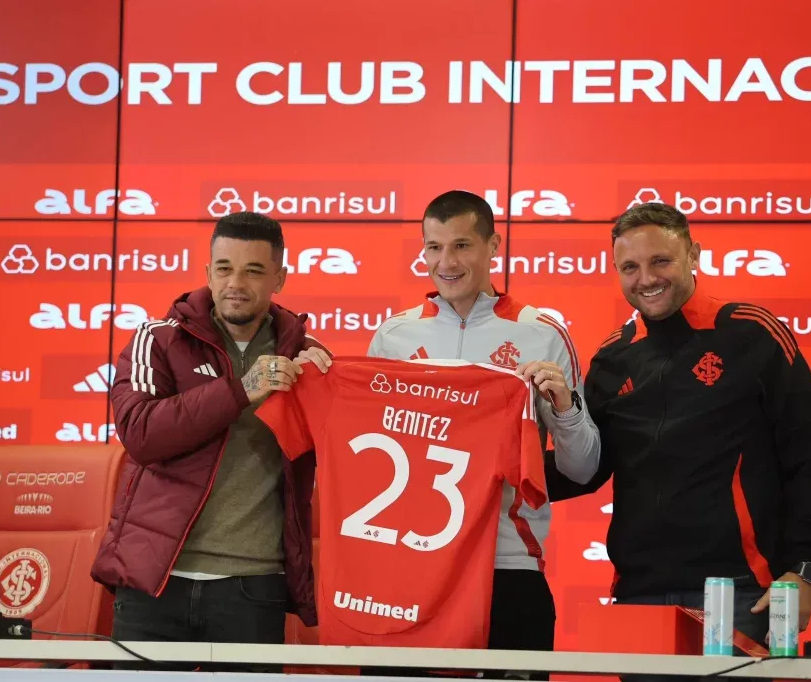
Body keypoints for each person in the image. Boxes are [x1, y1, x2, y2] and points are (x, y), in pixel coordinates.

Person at [547, 202, 811, 679]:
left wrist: (804, 569)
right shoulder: (611, 357)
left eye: (660, 261)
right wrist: (495, 464)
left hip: (742, 592)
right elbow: (583, 470)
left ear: (693, 255)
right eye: (630, 267)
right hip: (639, 593)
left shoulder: (751, 334)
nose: (646, 278)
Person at [359, 189, 601, 678]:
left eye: (462, 246)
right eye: (434, 247)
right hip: (412, 569)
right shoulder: (392, 337)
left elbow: (583, 468)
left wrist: (566, 408)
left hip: (509, 567)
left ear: (494, 247)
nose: (445, 262)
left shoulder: (542, 334)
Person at [90, 211, 330, 672]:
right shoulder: (158, 339)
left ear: (279, 277)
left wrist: (329, 393)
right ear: (207, 272)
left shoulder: (305, 354)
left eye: (254, 270)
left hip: (254, 583)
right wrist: (241, 390)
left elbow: (337, 455)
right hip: (155, 579)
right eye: (224, 268)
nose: (235, 282)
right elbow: (140, 434)